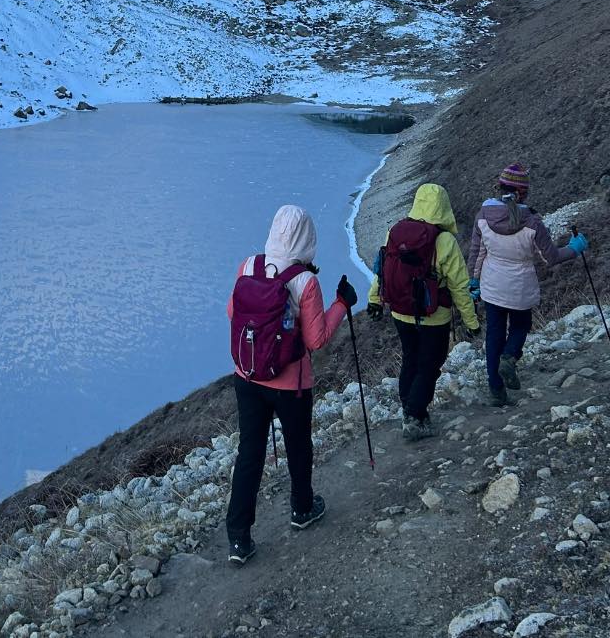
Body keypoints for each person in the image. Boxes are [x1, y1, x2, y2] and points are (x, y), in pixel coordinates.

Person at [224, 204, 357, 566]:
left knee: (249, 453)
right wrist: (342, 304)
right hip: (291, 384)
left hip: (247, 376)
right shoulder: (305, 281)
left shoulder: (248, 266)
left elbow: (232, 314)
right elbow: (316, 339)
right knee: (298, 445)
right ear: (306, 237)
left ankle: (238, 538)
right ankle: (301, 508)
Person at [467, 162, 588, 406]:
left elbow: (476, 254)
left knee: (494, 334)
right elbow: (551, 257)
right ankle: (510, 357)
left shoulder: (483, 217)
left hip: (492, 287)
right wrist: (575, 249)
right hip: (520, 287)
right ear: (524, 193)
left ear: (499, 188)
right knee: (521, 326)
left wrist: (474, 282)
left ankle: (496, 389)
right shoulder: (532, 223)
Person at [366, 183, 479, 440]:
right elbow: (460, 286)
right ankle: (414, 414)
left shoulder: (395, 232)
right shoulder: (445, 240)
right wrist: (471, 322)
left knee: (410, 359)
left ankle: (412, 410)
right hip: (434, 315)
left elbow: (382, 270)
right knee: (430, 365)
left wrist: (374, 301)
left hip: (399, 311)